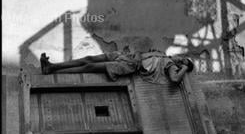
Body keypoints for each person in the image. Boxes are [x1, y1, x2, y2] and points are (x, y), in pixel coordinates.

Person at [40, 48, 194, 84]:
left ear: (181, 64)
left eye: (183, 60)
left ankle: (51, 70)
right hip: (125, 56)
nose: (180, 57)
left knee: (89, 67)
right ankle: (52, 66)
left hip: (128, 66)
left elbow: (174, 79)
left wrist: (185, 68)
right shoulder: (163, 54)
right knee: (89, 58)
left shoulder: (169, 64)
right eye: (182, 57)